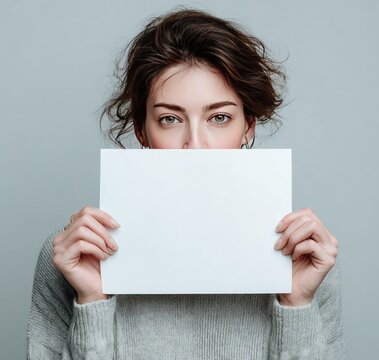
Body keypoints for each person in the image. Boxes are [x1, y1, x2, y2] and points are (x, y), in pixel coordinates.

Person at [27, 7, 345, 359]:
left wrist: (296, 305)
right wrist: (93, 302)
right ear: (142, 131)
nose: (195, 144)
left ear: (248, 126)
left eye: (219, 117)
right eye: (169, 119)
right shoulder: (75, 257)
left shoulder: (305, 257)